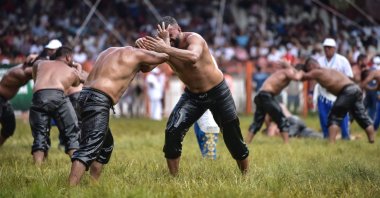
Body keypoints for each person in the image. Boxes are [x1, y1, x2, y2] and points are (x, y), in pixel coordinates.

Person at [137, 16, 249, 176]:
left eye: (170, 33)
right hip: (192, 95)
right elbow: (146, 68)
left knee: (232, 135)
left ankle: (245, 175)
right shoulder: (166, 47)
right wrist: (139, 48)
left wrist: (166, 49)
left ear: (179, 30)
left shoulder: (194, 39)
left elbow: (193, 57)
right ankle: (173, 178)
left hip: (217, 91)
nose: (169, 37)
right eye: (164, 35)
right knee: (172, 130)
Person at [68, 46, 169, 186]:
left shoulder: (109, 52)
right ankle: (68, 189)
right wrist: (164, 41)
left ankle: (93, 185)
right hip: (97, 101)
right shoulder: (137, 54)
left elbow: (146, 67)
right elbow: (164, 55)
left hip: (84, 96)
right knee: (89, 147)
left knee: (105, 145)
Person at [30, 46, 84, 165]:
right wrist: (78, 68)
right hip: (58, 96)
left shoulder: (40, 63)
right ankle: (77, 167)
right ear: (68, 57)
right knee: (72, 133)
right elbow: (77, 82)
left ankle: (37, 169)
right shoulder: (71, 70)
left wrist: (38, 84)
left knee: (40, 134)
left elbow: (34, 70)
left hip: (38, 95)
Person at [300, 58, 375, 143]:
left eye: (308, 69)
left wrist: (296, 71)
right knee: (362, 116)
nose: (309, 71)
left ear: (311, 66)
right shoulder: (327, 70)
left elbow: (303, 77)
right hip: (355, 89)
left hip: (347, 91)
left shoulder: (317, 71)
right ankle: (372, 141)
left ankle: (331, 143)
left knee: (334, 116)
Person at [246, 62, 303, 144]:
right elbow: (297, 77)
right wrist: (302, 72)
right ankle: (287, 144)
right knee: (282, 119)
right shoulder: (288, 71)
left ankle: (247, 143)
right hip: (266, 96)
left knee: (257, 122)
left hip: (261, 95)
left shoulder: (282, 72)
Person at [316, 38, 353, 140]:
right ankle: (326, 136)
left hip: (339, 93)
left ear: (334, 48)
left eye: (329, 47)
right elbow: (314, 76)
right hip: (323, 93)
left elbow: (349, 77)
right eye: (325, 47)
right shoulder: (319, 61)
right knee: (323, 116)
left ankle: (345, 136)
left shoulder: (342, 60)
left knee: (342, 117)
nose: (327, 49)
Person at [0, 54, 36, 146]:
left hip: (4, 100)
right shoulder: (19, 72)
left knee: (9, 128)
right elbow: (39, 71)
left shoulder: (23, 68)